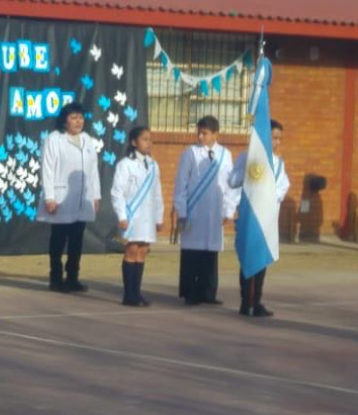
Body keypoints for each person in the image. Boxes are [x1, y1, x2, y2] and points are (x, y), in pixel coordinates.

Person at [35, 102, 101, 292]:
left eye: (80, 117)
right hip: (60, 197)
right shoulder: (54, 139)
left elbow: (93, 170)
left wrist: (95, 194)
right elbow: (47, 169)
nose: (78, 121)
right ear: (64, 121)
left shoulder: (87, 140)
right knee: (58, 239)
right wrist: (50, 197)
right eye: (73, 118)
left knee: (77, 239)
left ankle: (73, 277)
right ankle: (56, 278)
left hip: (82, 198)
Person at [228, 120, 290, 318]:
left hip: (267, 218)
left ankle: (257, 301)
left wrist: (269, 194)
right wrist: (247, 169)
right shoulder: (246, 157)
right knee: (247, 258)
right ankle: (245, 301)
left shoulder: (278, 164)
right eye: (273, 137)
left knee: (261, 260)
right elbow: (232, 181)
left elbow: (282, 188)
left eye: (279, 138)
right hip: (249, 216)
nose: (276, 142)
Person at [173, 115, 237, 306]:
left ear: (215, 134)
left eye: (205, 133)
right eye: (199, 133)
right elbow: (181, 183)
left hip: (215, 210)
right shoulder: (190, 153)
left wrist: (229, 210)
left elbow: (230, 185)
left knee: (210, 253)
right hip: (195, 209)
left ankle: (208, 292)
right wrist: (181, 211)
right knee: (192, 252)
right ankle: (190, 292)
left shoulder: (226, 155)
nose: (200, 137)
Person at [111, 126, 163, 307]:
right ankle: (129, 294)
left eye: (150, 139)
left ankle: (137, 292)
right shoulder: (125, 164)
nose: (149, 143)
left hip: (147, 216)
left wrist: (159, 217)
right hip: (132, 215)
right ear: (134, 142)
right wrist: (122, 216)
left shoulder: (153, 165)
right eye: (145, 139)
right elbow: (117, 192)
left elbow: (157, 193)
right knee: (132, 251)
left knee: (142, 251)